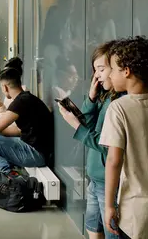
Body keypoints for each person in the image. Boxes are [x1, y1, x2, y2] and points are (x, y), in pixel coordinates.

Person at [59, 41, 120, 239]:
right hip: (95, 179)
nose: (97, 75)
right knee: (93, 229)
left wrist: (76, 126)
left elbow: (107, 147)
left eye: (102, 69)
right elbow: (89, 123)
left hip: (107, 182)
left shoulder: (119, 104)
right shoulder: (106, 97)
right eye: (95, 70)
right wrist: (92, 98)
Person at [0, 58, 53, 197]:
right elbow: (18, 130)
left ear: (5, 87)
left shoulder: (20, 102)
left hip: (36, 154)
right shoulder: (26, 98)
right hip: (37, 150)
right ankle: (3, 174)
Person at [100, 37, 148, 239]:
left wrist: (109, 205)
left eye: (112, 69)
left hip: (135, 210)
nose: (110, 74)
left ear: (126, 71)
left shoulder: (119, 108)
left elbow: (114, 160)